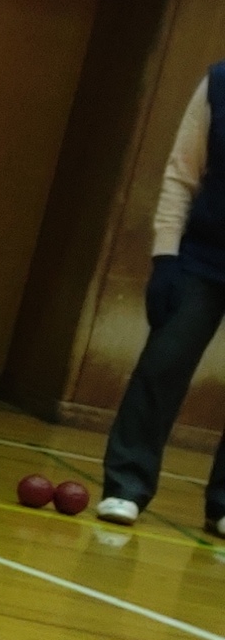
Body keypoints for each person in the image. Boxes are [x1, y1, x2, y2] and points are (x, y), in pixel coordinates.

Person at [97, 66, 225, 534]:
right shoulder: (219, 83)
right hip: (202, 259)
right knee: (162, 365)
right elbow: (182, 174)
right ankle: (126, 485)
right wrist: (166, 257)